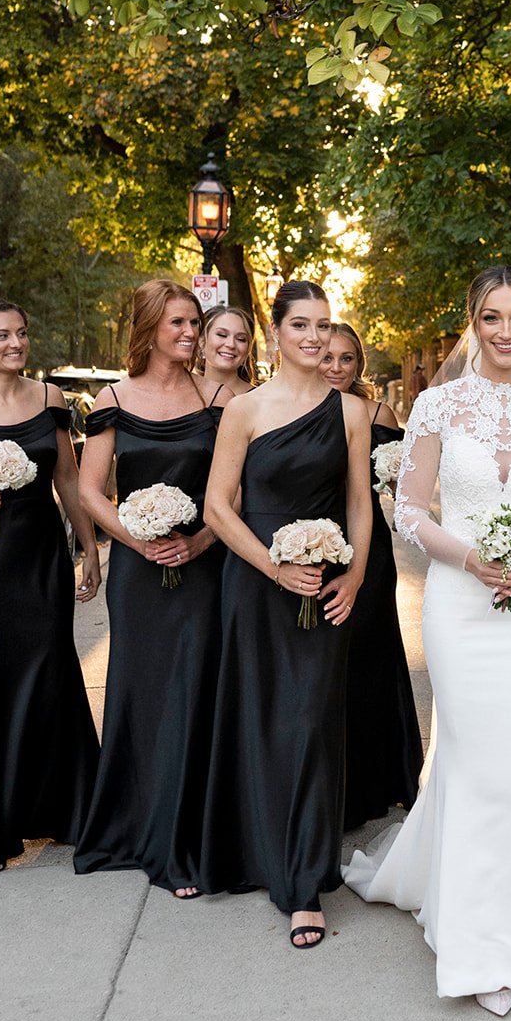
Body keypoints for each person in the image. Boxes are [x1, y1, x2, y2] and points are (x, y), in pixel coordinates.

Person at [345, 265, 511, 1017]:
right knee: (477, 761)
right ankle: (480, 943)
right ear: (472, 323)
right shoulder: (436, 404)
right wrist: (471, 559)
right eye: (492, 317)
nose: (506, 331)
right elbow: (409, 509)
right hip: (460, 606)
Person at [201, 281, 372, 947]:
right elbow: (219, 506)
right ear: (275, 333)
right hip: (256, 582)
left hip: (324, 584)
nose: (313, 336)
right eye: (299, 324)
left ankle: (302, 884)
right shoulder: (244, 409)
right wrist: (273, 567)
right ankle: (259, 853)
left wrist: (353, 573)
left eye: (323, 326)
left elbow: (359, 503)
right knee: (262, 719)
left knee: (308, 725)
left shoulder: (352, 412)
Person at [74, 281, 226, 897]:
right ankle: (139, 827)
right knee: (142, 691)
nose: (190, 334)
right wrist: (135, 542)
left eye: (195, 322)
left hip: (203, 565)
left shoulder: (217, 397)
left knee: (194, 689)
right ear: (148, 328)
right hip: (138, 574)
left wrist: (199, 542)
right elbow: (89, 490)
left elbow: (233, 492)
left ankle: (185, 838)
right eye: (177, 324)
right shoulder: (111, 400)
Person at [0, 298, 100, 874]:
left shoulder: (50, 399)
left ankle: (69, 814)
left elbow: (67, 476)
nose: (16, 343)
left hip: (39, 556)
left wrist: (90, 548)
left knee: (47, 671)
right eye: (2, 335)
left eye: (22, 332)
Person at [320, 322, 422, 830]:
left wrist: (396, 472)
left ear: (359, 365)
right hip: (314, 540)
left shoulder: (377, 412)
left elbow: (406, 479)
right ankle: (336, 778)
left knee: (373, 653)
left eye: (347, 359)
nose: (336, 368)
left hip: (369, 546)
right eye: (329, 357)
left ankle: (386, 774)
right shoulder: (297, 407)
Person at [199, 304, 256, 398]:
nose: (231, 344)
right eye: (222, 335)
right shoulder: (182, 395)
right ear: (201, 341)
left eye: (241, 339)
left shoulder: (261, 400)